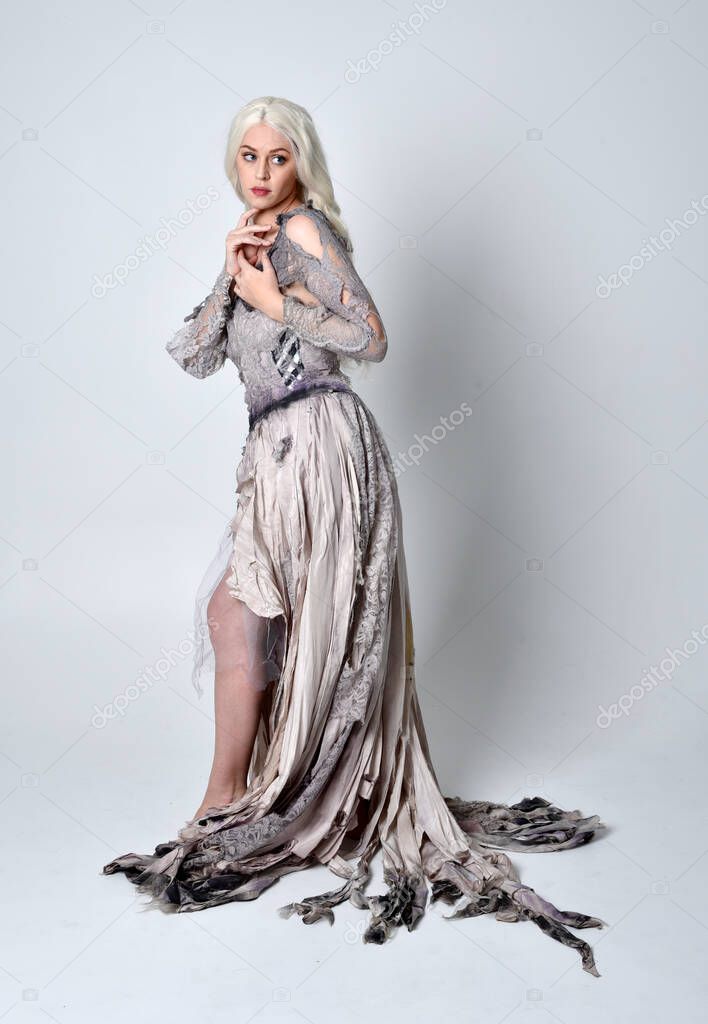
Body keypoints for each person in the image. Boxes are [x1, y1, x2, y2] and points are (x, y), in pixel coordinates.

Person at [102, 96, 608, 974]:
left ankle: (235, 798)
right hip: (275, 455)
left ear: (302, 166)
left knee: (275, 622)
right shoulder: (255, 241)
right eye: (248, 158)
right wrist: (232, 274)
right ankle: (226, 793)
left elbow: (368, 335)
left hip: (327, 447)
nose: (260, 174)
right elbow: (192, 355)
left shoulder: (304, 232)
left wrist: (275, 294)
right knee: (236, 616)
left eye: (277, 159)